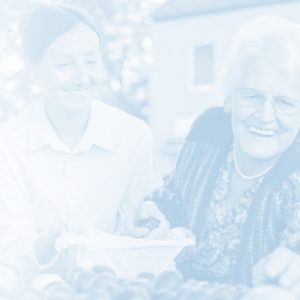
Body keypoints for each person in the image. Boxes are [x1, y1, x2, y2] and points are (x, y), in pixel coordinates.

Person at [137, 16, 300, 296]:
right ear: (228, 98)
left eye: (285, 102)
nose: (264, 115)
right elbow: (173, 195)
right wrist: (158, 218)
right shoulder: (209, 132)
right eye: (251, 96)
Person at [0, 3, 153, 293]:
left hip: (112, 289)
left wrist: (145, 230)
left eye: (91, 61)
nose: (83, 77)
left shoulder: (134, 136)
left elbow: (136, 235)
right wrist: (58, 241)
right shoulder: (7, 142)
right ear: (33, 68)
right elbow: (10, 246)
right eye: (65, 64)